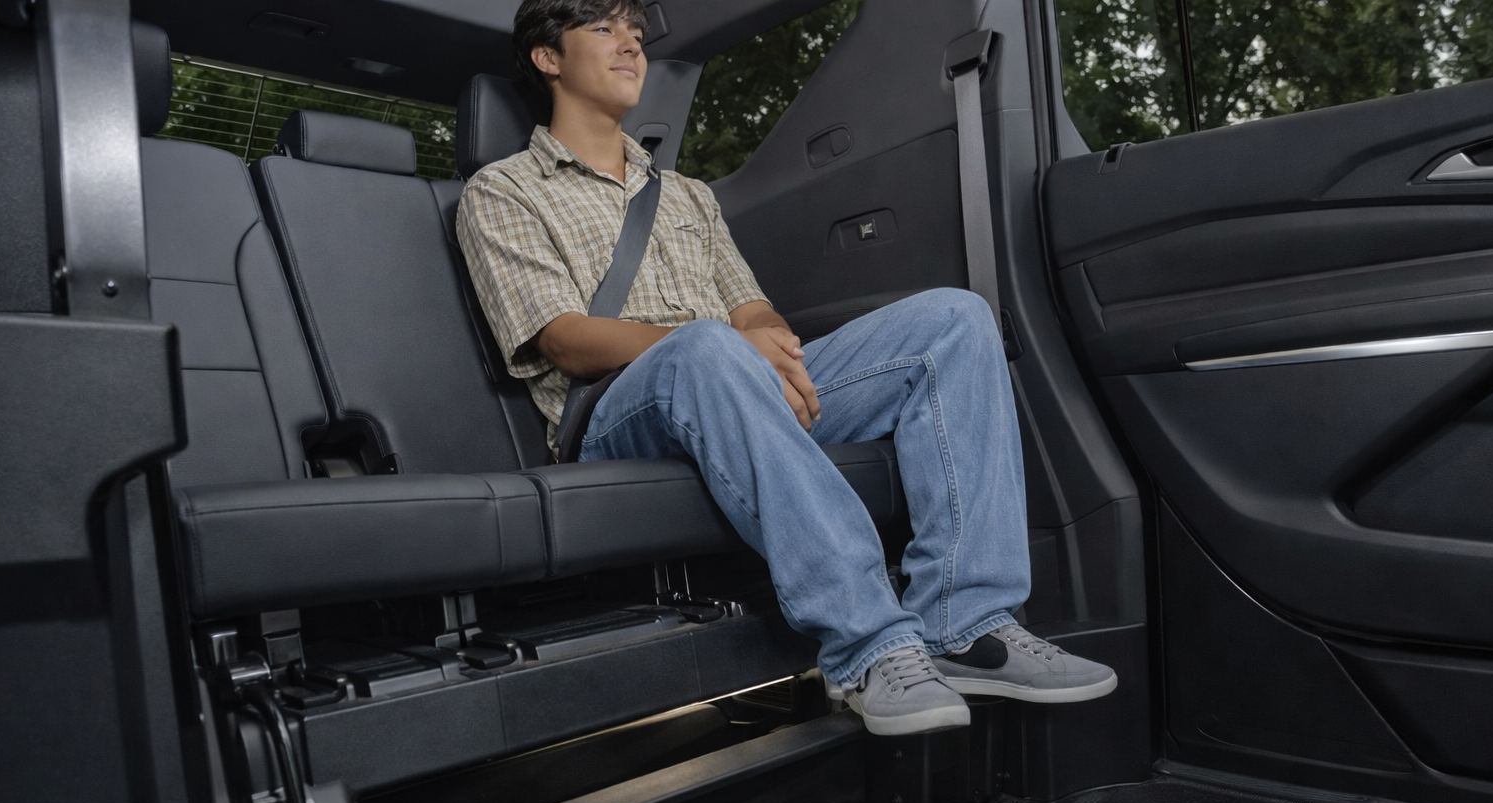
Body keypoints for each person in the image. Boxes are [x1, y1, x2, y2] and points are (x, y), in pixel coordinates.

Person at [457, 0, 1117, 736]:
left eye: (637, 34)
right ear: (548, 59)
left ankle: (967, 626)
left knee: (953, 321)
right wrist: (720, 341)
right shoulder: (504, 189)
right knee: (702, 347)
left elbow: (750, 309)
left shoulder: (684, 196)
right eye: (605, 30)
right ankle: (869, 646)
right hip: (612, 414)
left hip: (727, 375)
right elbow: (564, 340)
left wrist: (771, 344)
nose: (632, 47)